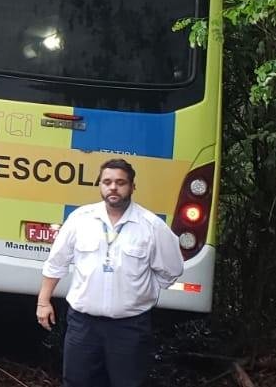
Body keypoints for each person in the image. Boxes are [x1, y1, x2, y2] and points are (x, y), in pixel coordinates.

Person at [37, 159, 183, 387]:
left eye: (120, 182)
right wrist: (43, 301)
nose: (113, 187)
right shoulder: (80, 219)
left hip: (130, 328)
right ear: (100, 185)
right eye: (107, 182)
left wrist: (141, 291)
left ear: (132, 186)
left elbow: (172, 270)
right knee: (76, 382)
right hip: (83, 326)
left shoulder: (152, 226)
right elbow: (56, 262)